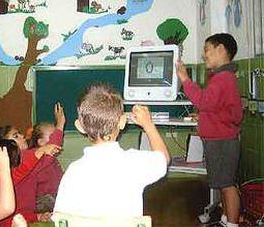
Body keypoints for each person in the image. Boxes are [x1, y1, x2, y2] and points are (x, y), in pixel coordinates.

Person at [54, 83, 169, 218]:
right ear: (122, 122)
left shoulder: (73, 171)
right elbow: (163, 158)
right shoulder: (135, 163)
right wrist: (148, 125)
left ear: (80, 127)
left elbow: (60, 218)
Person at [177, 33, 243, 227]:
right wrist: (206, 116)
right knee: (223, 183)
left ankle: (232, 223)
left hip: (222, 141)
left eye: (207, 50)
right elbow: (219, 108)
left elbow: (204, 101)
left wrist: (185, 79)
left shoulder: (223, 78)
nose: (204, 55)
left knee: (227, 186)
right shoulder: (223, 77)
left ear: (221, 49)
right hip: (220, 139)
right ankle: (226, 219)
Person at [0, 136, 61, 226]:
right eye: (17, 155)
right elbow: (20, 171)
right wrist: (41, 151)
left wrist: (38, 216)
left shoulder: (19, 179)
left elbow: (19, 214)